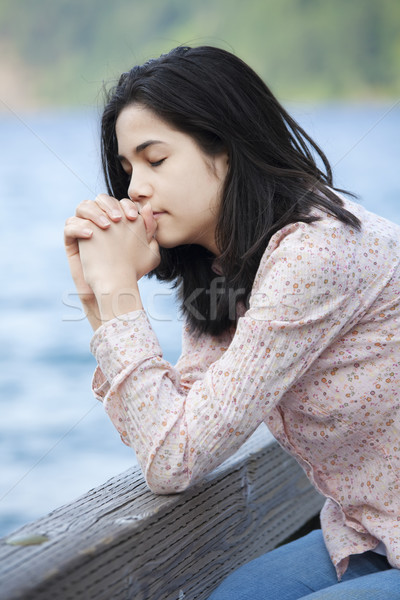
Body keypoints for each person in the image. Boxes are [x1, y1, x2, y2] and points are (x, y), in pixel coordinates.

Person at [64, 46, 400, 599]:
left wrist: (119, 290)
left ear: (224, 149)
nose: (135, 191)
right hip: (367, 531)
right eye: (126, 171)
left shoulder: (313, 252)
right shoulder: (230, 267)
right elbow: (169, 430)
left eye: (156, 160)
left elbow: (175, 457)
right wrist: (95, 293)